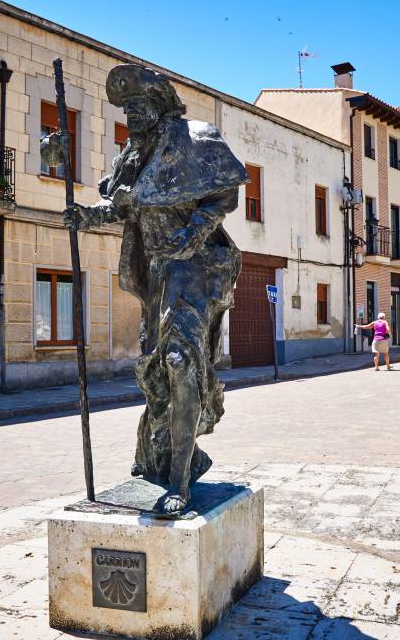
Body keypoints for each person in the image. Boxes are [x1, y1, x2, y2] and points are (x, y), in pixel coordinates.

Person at [62, 64, 248, 515]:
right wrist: (87, 216)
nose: (132, 117)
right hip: (155, 275)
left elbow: (226, 193)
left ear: (161, 106)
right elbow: (120, 206)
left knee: (180, 362)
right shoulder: (131, 156)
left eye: (140, 107)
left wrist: (195, 231)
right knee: (158, 378)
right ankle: (163, 460)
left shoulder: (194, 138)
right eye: (127, 110)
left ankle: (179, 484)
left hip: (195, 269)